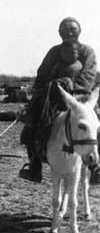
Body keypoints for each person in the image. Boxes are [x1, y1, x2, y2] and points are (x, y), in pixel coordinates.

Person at [19, 16, 98, 182]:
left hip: (80, 97)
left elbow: (88, 75)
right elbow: (42, 73)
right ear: (59, 33)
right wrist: (43, 90)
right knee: (31, 120)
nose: (69, 32)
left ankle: (96, 167)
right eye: (65, 30)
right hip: (53, 96)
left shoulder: (87, 51)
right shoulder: (54, 51)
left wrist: (71, 89)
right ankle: (34, 165)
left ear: (79, 31)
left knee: (95, 121)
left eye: (73, 30)